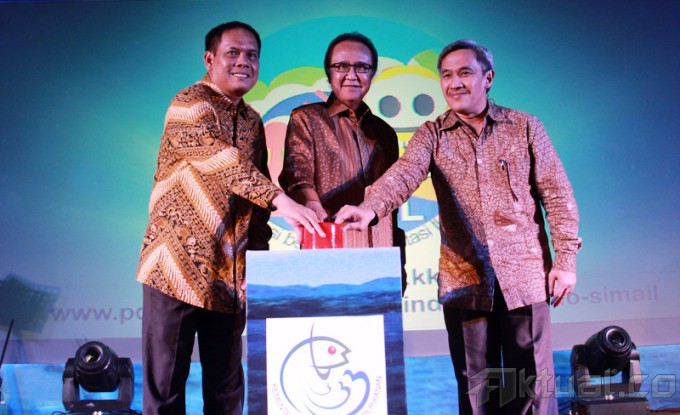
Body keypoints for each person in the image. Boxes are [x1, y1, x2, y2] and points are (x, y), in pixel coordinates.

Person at [335, 39, 581, 415]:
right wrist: (369, 209)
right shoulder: (433, 134)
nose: (455, 83)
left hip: (525, 276)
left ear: (488, 78)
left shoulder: (525, 127)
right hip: (464, 280)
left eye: (465, 73)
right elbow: (403, 175)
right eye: (447, 75)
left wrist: (565, 261)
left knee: (530, 385)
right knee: (476, 389)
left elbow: (558, 195)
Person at [136, 21, 323, 415]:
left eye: (251, 55)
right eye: (233, 53)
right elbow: (224, 163)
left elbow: (254, 203)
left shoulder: (253, 120)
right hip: (175, 270)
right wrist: (283, 201)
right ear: (210, 59)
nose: (243, 62)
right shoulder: (189, 103)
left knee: (226, 392)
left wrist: (258, 262)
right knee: (165, 391)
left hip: (230, 275)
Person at [278, 32, 405, 281]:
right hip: (327, 246)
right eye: (341, 66)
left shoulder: (385, 132)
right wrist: (312, 206)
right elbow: (297, 175)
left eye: (362, 67)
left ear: (372, 74)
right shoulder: (307, 119)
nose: (352, 75)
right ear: (329, 73)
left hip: (382, 251)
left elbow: (392, 195)